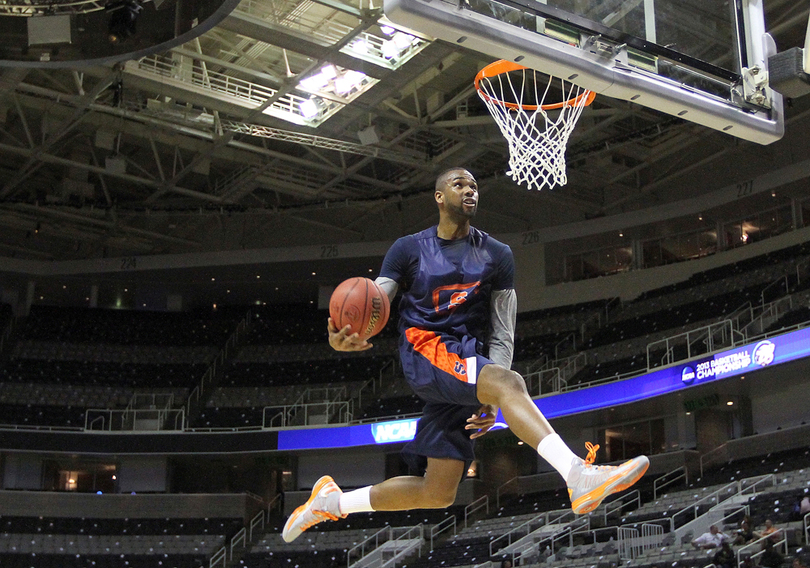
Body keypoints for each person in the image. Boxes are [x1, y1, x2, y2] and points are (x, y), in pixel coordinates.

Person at [282, 168, 649, 543]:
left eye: (474, 186)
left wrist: (494, 396)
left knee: (438, 492)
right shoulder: (409, 248)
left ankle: (332, 502)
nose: (469, 190)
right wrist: (342, 336)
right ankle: (576, 475)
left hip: (467, 359)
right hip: (424, 347)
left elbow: (503, 329)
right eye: (459, 185)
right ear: (439, 197)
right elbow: (375, 299)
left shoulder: (497, 254)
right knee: (509, 383)